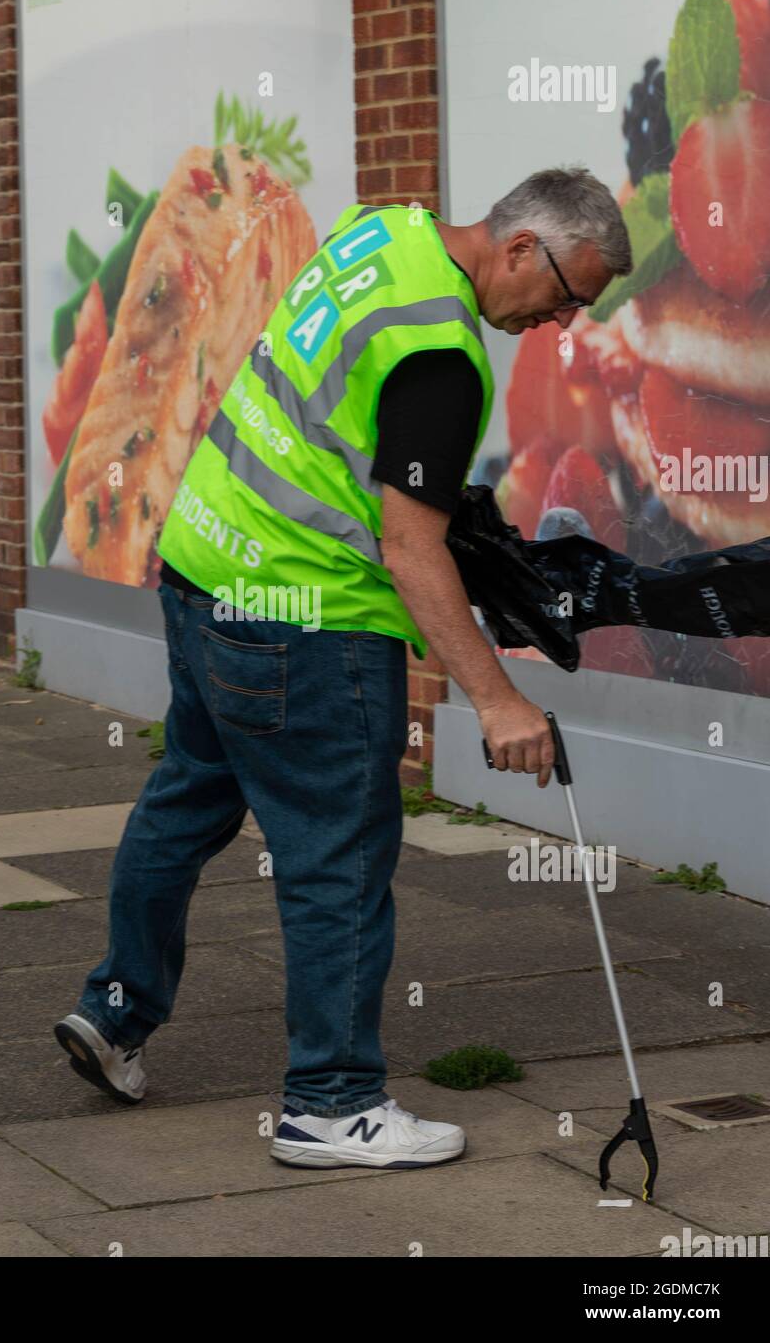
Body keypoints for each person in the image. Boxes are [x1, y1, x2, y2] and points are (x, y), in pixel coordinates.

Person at [55, 166, 632, 1169]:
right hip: (303, 620)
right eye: (565, 296)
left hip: (203, 568)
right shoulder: (442, 357)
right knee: (340, 855)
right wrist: (496, 699)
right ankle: (329, 1102)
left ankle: (113, 1010)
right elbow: (409, 548)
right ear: (517, 250)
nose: (561, 323)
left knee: (187, 798)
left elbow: (337, 423)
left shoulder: (383, 235)